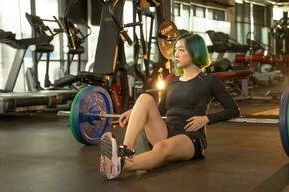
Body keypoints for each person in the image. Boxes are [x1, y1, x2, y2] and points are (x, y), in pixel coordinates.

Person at [99, 33, 240, 180]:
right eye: (176, 50)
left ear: (195, 51)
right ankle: (124, 151)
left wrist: (206, 119)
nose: (176, 54)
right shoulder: (173, 80)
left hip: (190, 137)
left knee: (161, 148)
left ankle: (121, 165)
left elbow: (233, 110)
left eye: (181, 50)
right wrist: (135, 112)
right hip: (166, 131)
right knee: (145, 98)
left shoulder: (209, 81)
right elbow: (160, 110)